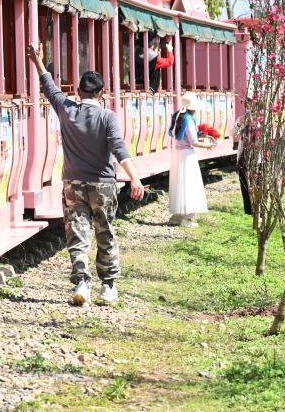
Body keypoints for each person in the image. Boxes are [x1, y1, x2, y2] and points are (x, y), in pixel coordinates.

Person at [27, 43, 144, 306]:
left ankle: (81, 283)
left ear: (78, 91)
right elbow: (119, 149)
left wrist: (38, 62)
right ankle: (108, 287)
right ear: (101, 93)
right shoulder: (108, 117)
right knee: (105, 232)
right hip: (102, 185)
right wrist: (134, 177)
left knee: (77, 234)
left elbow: (49, 87)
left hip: (73, 184)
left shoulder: (67, 110)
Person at [167, 92, 213, 227]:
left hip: (177, 154)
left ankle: (177, 216)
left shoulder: (178, 116)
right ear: (193, 107)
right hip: (187, 155)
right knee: (189, 185)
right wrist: (207, 145)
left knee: (179, 185)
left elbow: (173, 133)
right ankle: (186, 219)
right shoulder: (188, 119)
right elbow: (193, 141)